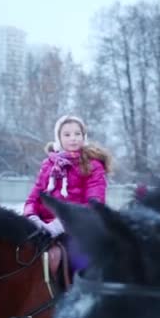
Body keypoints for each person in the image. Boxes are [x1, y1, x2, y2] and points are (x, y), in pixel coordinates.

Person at [24, 114, 112, 273]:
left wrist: (61, 224)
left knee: (79, 262)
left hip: (77, 228)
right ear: (58, 138)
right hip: (43, 226)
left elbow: (94, 204)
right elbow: (34, 197)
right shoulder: (48, 164)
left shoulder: (93, 165)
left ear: (84, 136)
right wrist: (32, 217)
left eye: (77, 134)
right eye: (67, 134)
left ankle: (80, 293)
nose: (73, 138)